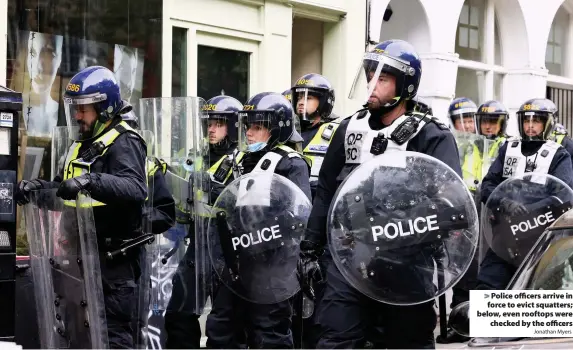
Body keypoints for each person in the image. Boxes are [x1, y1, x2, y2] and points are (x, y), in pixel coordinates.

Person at [300, 39, 461, 349]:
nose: (371, 85)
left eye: (382, 79)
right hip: (349, 257)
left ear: (406, 86)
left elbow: (451, 206)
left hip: (406, 262)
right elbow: (326, 193)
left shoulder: (430, 135)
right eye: (370, 75)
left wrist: (398, 224)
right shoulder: (348, 130)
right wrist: (309, 248)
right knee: (335, 339)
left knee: (407, 342)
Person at [16, 65, 147, 348]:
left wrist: (90, 180)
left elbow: (136, 188)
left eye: (84, 109)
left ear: (105, 108)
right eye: (75, 108)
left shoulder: (125, 140)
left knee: (112, 340)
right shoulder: (81, 143)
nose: (77, 115)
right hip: (80, 261)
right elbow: (67, 189)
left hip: (113, 266)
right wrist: (38, 189)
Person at [206, 92, 311, 348]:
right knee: (221, 328)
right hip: (235, 264)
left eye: (258, 127)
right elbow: (222, 200)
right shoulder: (237, 159)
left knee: (269, 333)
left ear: (277, 129)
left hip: (272, 266)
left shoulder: (291, 163)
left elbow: (299, 215)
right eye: (248, 126)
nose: (250, 133)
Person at [164, 95, 244, 349]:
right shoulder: (196, 154)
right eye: (209, 122)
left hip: (228, 248)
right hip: (197, 243)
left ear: (232, 127)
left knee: (223, 326)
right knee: (178, 313)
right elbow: (182, 194)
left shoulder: (244, 159)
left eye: (219, 123)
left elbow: (248, 205)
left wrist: (219, 187)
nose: (211, 128)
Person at [477, 98, 573, 291]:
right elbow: (487, 184)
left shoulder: (558, 154)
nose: (530, 126)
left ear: (548, 124)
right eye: (526, 121)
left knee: (537, 292)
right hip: (506, 234)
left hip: (541, 237)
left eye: (536, 121)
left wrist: (529, 212)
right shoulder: (508, 149)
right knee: (487, 285)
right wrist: (504, 203)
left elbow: (563, 195)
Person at [439, 99, 510, 344]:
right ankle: (461, 324)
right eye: (485, 122)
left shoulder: (508, 147)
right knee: (463, 268)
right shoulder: (466, 145)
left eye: (494, 122)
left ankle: (492, 323)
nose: (488, 127)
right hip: (466, 208)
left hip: (496, 213)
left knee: (492, 271)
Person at [291, 73, 339, 199]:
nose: (301, 102)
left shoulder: (338, 130)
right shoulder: (289, 132)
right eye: (299, 98)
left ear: (324, 101)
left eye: (308, 98)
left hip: (323, 200)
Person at [23, 31, 63, 136]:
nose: (39, 66)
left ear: (59, 60)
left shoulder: (64, 112)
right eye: (32, 53)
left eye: (48, 53)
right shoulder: (21, 107)